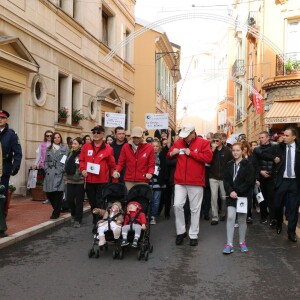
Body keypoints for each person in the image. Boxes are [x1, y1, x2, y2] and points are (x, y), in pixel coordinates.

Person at [167, 124, 213, 246]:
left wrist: (191, 153)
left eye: (187, 136)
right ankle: (181, 232)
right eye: (184, 136)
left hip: (196, 181)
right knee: (177, 205)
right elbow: (168, 154)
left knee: (195, 209)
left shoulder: (203, 143)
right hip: (180, 180)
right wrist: (172, 153)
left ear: (193, 133)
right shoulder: (178, 142)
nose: (185, 138)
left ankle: (193, 234)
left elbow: (208, 158)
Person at [79, 125, 116, 225]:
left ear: (103, 134)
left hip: (102, 181)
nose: (95, 134)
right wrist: (82, 169)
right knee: (92, 203)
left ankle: (98, 224)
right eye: (94, 132)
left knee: (100, 203)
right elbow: (81, 160)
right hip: (90, 181)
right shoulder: (86, 146)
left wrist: (114, 175)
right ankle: (97, 220)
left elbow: (112, 165)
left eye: (98, 132)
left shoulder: (108, 148)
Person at [222, 142, 255, 254]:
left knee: (241, 219)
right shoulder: (229, 164)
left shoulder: (248, 164)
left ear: (242, 151)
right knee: (231, 217)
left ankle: (242, 242)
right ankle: (229, 244)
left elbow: (249, 181)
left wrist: (238, 191)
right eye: (233, 150)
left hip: (243, 196)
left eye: (238, 150)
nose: (235, 152)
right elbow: (225, 180)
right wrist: (230, 191)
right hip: (231, 195)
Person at [274, 127, 300, 242]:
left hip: (295, 182)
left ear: (293, 137)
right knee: (278, 205)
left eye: (287, 136)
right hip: (282, 181)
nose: (284, 137)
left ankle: (291, 233)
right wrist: (274, 159)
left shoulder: (299, 148)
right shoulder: (279, 147)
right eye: (284, 135)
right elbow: (264, 154)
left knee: (294, 208)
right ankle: (279, 223)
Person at [0, 110, 22, 238]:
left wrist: (15, 167)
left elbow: (18, 153)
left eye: (2, 118)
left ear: (6, 119)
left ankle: (2, 218)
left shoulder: (11, 134)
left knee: (2, 192)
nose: (0, 119)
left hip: (4, 167)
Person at [113, 126, 155, 191]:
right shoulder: (125, 146)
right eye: (134, 137)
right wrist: (116, 171)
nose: (136, 139)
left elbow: (151, 164)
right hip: (129, 180)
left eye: (138, 137)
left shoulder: (149, 148)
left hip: (143, 179)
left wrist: (150, 173)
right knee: (130, 200)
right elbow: (121, 163)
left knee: (141, 200)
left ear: (142, 136)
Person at [252, 131, 279, 226]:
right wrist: (260, 172)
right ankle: (263, 216)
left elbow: (278, 161)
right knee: (262, 198)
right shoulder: (256, 150)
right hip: (261, 177)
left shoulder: (275, 147)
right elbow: (254, 164)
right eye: (260, 138)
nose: (260, 139)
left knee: (272, 198)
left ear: (268, 138)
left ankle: (272, 218)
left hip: (272, 177)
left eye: (262, 137)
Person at [43, 132, 69, 219]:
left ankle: (56, 212)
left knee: (58, 193)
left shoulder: (64, 148)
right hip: (49, 173)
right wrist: (46, 169)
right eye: (55, 138)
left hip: (59, 172)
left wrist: (61, 170)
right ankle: (57, 209)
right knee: (49, 193)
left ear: (61, 138)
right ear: (52, 139)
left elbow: (65, 160)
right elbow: (45, 161)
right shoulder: (48, 148)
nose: (57, 139)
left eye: (58, 137)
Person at [209, 133, 233, 225]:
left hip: (224, 178)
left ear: (221, 141)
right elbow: (207, 161)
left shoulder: (227, 151)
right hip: (213, 177)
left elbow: (231, 162)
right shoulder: (211, 150)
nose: (215, 142)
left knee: (224, 197)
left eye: (216, 141)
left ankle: (223, 213)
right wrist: (212, 151)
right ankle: (215, 217)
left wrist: (228, 174)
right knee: (214, 197)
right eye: (213, 141)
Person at [65, 137, 84, 228]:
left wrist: (81, 175)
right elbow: (65, 165)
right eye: (73, 144)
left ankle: (78, 220)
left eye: (75, 144)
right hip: (70, 180)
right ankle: (73, 213)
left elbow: (84, 166)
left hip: (79, 181)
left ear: (80, 145)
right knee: (70, 200)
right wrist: (65, 177)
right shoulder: (69, 153)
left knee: (79, 202)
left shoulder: (82, 154)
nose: (73, 145)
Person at [33, 130, 53, 204]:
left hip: (54, 167)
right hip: (44, 166)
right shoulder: (42, 145)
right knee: (46, 182)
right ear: (45, 136)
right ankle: (48, 198)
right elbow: (38, 155)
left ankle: (53, 198)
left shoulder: (55, 144)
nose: (49, 137)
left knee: (53, 182)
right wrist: (35, 164)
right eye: (47, 135)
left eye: (50, 135)